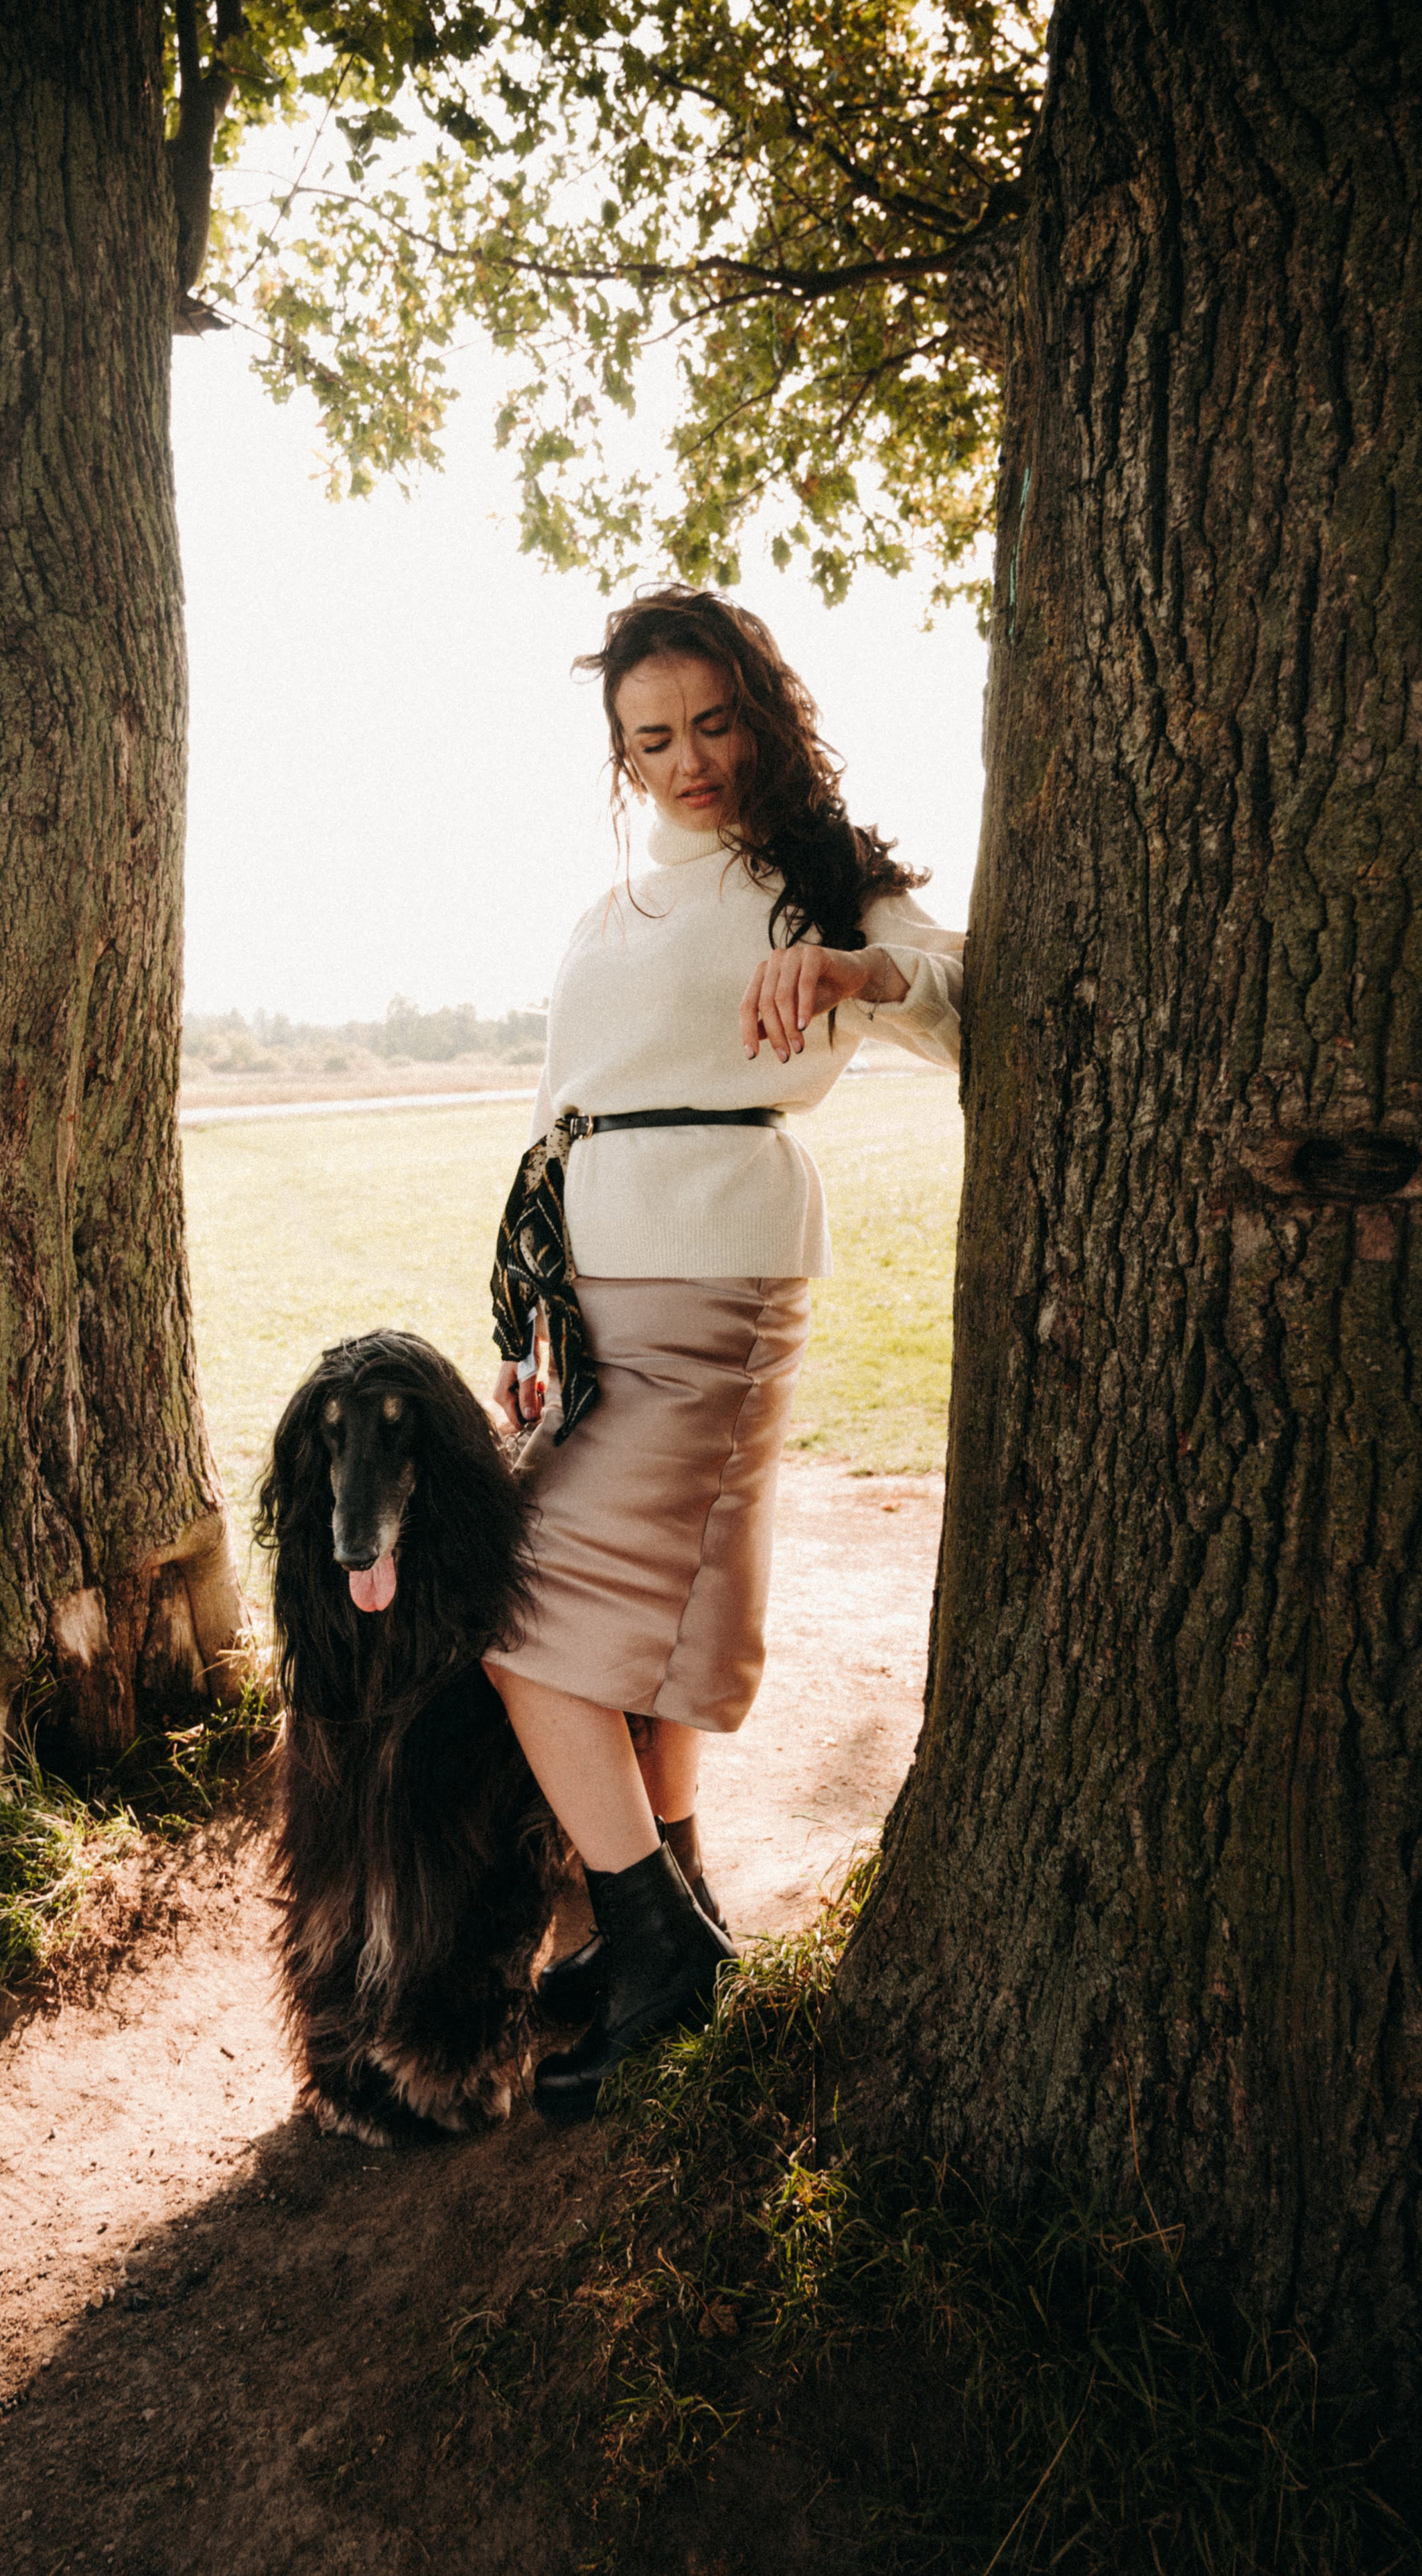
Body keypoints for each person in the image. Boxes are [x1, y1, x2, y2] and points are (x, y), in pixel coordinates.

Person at [483, 585, 964, 2123]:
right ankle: (668, 1920)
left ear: (756, 710)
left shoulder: (813, 878)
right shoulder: (610, 909)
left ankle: (653, 1945)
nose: (684, 757)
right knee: (669, 1620)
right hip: (599, 1282)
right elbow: (565, 1115)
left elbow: (953, 987)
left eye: (706, 720)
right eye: (648, 737)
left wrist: (850, 972)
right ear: (617, 756)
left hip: (714, 1272)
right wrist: (533, 1318)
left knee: (524, 1615)